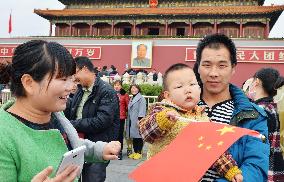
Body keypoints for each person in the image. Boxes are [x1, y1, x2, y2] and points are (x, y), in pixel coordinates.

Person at [0, 40, 120, 182]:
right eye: (63, 79)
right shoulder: (4, 135)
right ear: (29, 83)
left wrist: (98, 150)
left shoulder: (55, 115)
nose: (71, 87)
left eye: (72, 79)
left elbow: (68, 144)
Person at [139, 63, 243, 181]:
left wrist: (231, 170)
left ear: (199, 88)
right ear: (167, 95)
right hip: (160, 176)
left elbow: (214, 149)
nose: (188, 90)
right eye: (179, 86)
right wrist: (163, 120)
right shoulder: (162, 110)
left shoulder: (203, 118)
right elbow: (145, 132)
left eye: (192, 84)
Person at [193, 33, 269, 181]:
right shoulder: (180, 108)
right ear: (198, 67)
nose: (213, 73)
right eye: (207, 65)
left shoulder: (253, 116)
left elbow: (256, 168)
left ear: (233, 68)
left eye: (222, 65)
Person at [63, 56, 120, 182]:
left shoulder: (106, 91)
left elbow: (102, 121)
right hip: (78, 143)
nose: (74, 77)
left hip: (98, 145)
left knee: (93, 178)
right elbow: (72, 112)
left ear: (84, 69)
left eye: (75, 72)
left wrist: (73, 124)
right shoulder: (80, 90)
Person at [246, 67, 284, 181]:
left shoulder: (257, 111)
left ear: (256, 82)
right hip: (277, 171)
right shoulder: (275, 108)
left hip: (262, 172)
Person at [126, 84, 147, 160]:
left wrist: (140, 119)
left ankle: (139, 152)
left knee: (139, 137)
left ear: (138, 89)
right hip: (132, 120)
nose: (133, 90)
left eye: (135, 88)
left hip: (137, 120)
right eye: (132, 88)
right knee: (134, 137)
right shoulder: (132, 98)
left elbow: (142, 110)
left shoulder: (141, 98)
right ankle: (135, 152)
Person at [113, 80, 130, 160]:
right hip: (111, 117)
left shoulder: (124, 94)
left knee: (119, 135)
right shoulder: (110, 93)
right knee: (112, 134)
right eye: (115, 85)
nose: (116, 86)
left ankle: (119, 152)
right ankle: (112, 151)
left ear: (121, 86)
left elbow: (128, 106)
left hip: (120, 117)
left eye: (118, 85)